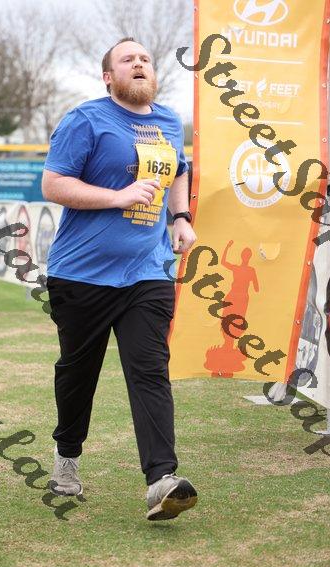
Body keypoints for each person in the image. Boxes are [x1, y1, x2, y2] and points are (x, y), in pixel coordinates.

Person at [42, 37, 198, 521]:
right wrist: (118, 196)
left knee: (149, 370)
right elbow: (53, 184)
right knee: (78, 373)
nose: (139, 63)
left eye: (145, 59)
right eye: (128, 59)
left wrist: (180, 217)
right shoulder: (85, 119)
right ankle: (67, 455)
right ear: (108, 76)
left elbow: (179, 171)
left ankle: (162, 480)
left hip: (147, 272)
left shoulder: (168, 121)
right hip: (81, 274)